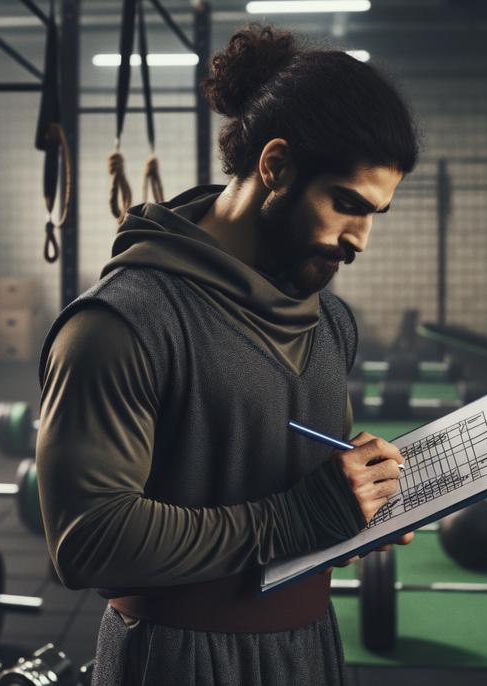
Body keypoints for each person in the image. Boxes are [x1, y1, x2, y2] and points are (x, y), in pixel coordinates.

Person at [36, 25, 421, 685]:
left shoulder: (331, 320)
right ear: (275, 167)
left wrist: (358, 504)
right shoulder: (120, 325)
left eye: (375, 214)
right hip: (175, 658)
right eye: (347, 204)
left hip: (309, 649)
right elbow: (89, 542)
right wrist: (300, 518)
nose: (360, 239)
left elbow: (306, 496)